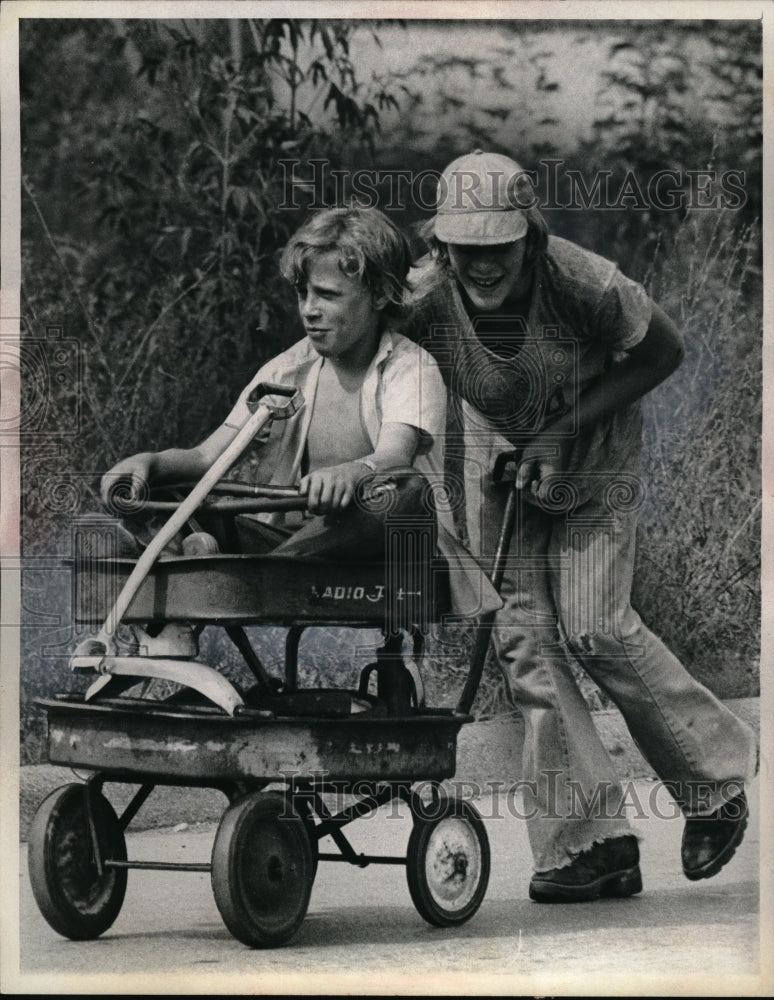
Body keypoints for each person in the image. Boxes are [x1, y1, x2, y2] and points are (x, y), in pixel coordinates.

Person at [405, 149, 757, 902]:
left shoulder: (582, 282)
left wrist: (563, 433)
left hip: (593, 443)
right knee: (523, 637)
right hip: (499, 448)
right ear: (441, 245)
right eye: (465, 247)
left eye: (498, 245)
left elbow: (663, 350)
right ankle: (591, 843)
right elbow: (352, 348)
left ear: (528, 236)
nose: (482, 263)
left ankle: (713, 783)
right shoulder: (425, 298)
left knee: (595, 623)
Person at [101, 206, 499, 616]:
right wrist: (148, 463)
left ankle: (227, 565)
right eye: (302, 293)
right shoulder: (285, 370)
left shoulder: (410, 367)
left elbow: (394, 456)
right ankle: (185, 551)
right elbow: (207, 457)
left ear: (380, 294)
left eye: (326, 295)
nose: (309, 309)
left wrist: (353, 472)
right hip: (293, 549)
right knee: (173, 491)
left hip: (381, 552)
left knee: (404, 492)